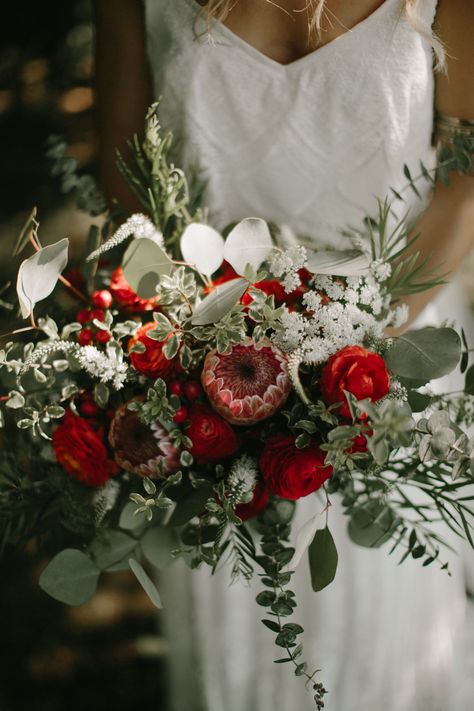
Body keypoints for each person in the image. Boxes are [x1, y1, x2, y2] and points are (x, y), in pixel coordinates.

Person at [94, 2, 474, 709]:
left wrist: (351, 352)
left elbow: (466, 173)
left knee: (390, 635)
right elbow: (125, 182)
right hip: (211, 386)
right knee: (243, 644)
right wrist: (203, 349)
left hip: (389, 371)